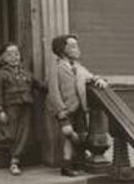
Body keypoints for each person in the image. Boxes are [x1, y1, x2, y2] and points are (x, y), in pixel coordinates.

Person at [0, 43, 46, 176]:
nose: (13, 57)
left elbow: (40, 85)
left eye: (16, 54)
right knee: (10, 134)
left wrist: (53, 85)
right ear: (3, 58)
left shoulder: (26, 72)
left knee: (23, 134)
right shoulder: (1, 74)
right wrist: (0, 110)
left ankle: (15, 161)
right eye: (9, 55)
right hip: (11, 106)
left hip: (26, 105)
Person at [46, 34, 107, 176]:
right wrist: (60, 109)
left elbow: (91, 76)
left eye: (76, 46)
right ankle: (77, 154)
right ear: (62, 50)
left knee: (79, 135)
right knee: (68, 132)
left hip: (79, 109)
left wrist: (100, 80)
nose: (77, 49)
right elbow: (53, 90)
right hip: (64, 108)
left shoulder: (79, 68)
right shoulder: (56, 67)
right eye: (73, 46)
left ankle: (68, 165)